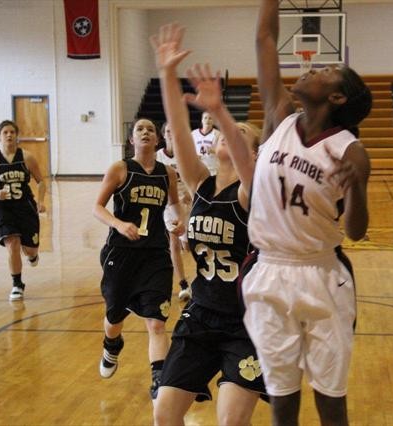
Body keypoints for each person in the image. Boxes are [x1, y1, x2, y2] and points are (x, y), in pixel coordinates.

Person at [237, 2, 373, 425]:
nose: (312, 68)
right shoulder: (279, 116)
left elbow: (356, 231)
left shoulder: (350, 150)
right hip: (268, 271)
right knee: (281, 397)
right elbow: (264, 39)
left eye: (326, 70)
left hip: (322, 275)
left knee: (331, 400)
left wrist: (356, 189)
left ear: (337, 97)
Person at [150, 23, 266, 425]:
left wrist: (220, 111)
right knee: (164, 414)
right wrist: (167, 74)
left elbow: (246, 166)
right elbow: (179, 130)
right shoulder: (200, 183)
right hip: (200, 314)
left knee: (230, 421)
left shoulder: (250, 191)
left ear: (253, 152)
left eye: (240, 135)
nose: (227, 137)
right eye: (224, 133)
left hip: (246, 323)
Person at [93, 118, 184, 400]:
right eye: (139, 130)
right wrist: (119, 224)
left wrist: (180, 221)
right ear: (132, 139)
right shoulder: (120, 169)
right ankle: (112, 345)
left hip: (155, 254)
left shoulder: (167, 173)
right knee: (114, 316)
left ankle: (159, 380)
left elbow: (174, 204)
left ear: (158, 140)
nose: (145, 132)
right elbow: (97, 207)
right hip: (121, 253)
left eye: (150, 130)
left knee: (157, 322)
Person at [0, 120, 46, 301]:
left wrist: (40, 201)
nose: (9, 135)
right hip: (2, 207)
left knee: (30, 250)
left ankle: (32, 255)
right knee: (12, 243)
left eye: (12, 132)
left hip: (25, 206)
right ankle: (17, 284)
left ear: (17, 136)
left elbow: (41, 181)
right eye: (5, 132)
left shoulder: (27, 158)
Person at [156, 122, 192, 302]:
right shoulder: (158, 157)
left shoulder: (186, 154)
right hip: (170, 205)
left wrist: (191, 193)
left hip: (188, 203)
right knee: (174, 243)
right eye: (168, 131)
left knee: (189, 245)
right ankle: (183, 284)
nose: (171, 134)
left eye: (174, 130)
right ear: (163, 135)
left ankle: (203, 277)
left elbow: (196, 178)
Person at [191, 111, 220, 176]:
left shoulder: (218, 134)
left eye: (210, 118)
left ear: (213, 121)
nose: (207, 120)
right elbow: (188, 151)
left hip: (213, 170)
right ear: (202, 120)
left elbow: (223, 152)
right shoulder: (193, 134)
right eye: (205, 118)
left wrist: (212, 150)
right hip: (198, 169)